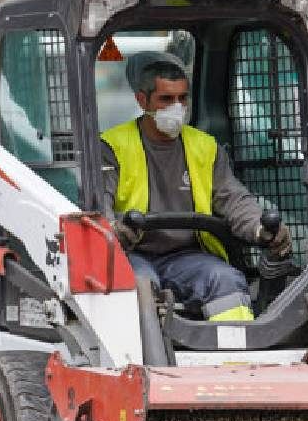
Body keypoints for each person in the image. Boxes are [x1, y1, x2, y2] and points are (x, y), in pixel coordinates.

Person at [100, 53, 290, 323]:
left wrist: (260, 227)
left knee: (225, 280)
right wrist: (114, 230)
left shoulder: (205, 147)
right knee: (140, 288)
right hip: (132, 254)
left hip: (186, 256)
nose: (177, 107)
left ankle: (235, 357)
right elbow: (98, 210)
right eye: (166, 99)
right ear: (142, 101)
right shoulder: (111, 147)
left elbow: (233, 198)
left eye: (182, 98)